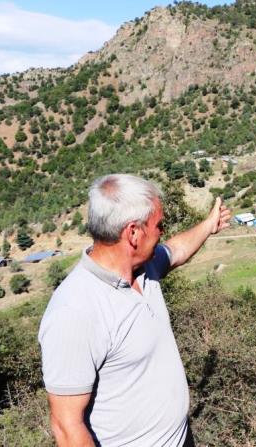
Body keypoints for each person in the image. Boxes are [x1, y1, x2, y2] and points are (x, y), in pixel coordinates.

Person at [38, 174, 231, 446]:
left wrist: (209, 225)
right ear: (133, 233)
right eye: (158, 226)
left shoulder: (145, 267)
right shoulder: (75, 310)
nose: (162, 232)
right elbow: (67, 428)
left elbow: (176, 250)